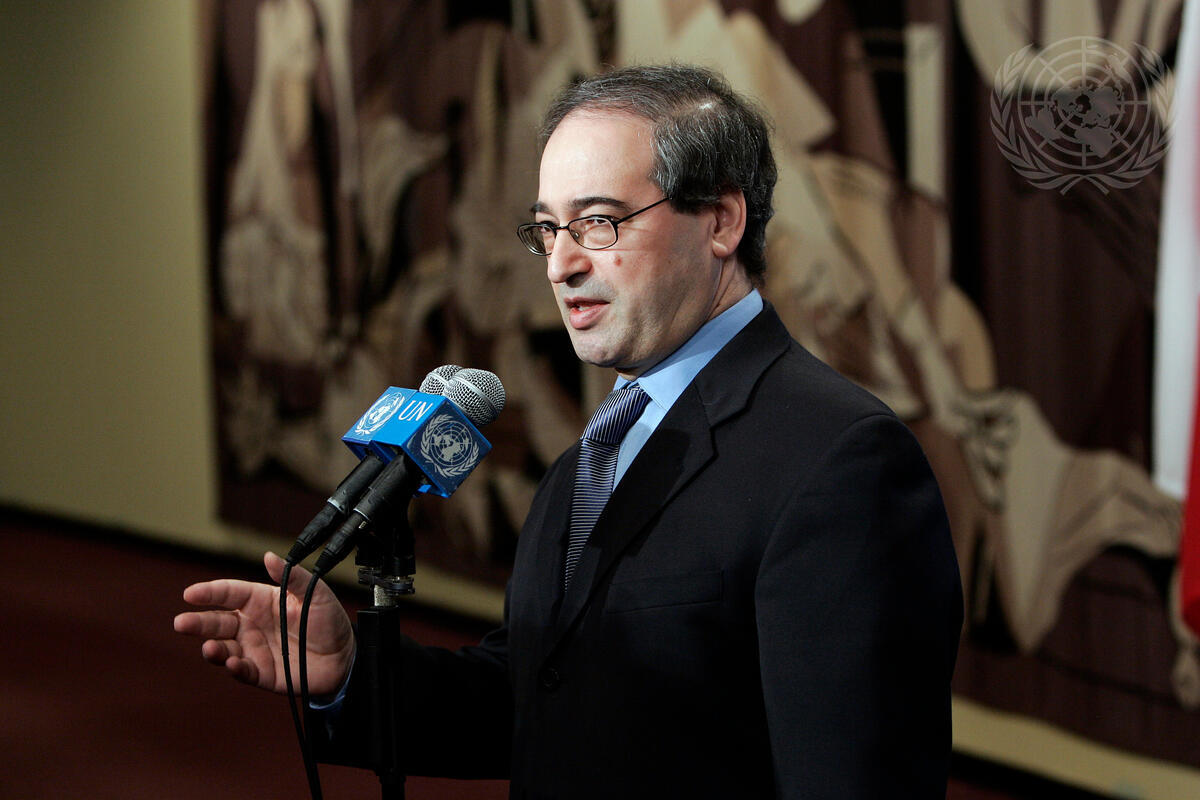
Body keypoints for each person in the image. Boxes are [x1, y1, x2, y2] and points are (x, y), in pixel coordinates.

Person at [175, 64, 963, 799]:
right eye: (548, 229)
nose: (559, 265)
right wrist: (353, 673)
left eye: (598, 222)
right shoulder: (603, 442)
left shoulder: (840, 463)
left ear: (721, 220)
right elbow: (543, 696)